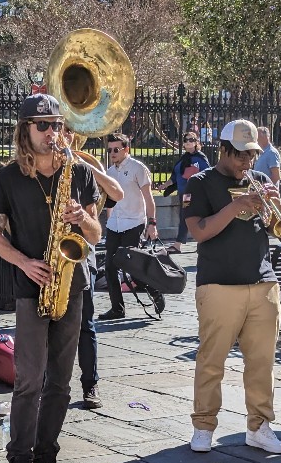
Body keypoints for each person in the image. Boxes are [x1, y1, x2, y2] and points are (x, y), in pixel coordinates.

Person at [0, 94, 100, 463]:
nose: (52, 133)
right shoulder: (7, 177)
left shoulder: (79, 172)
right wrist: (24, 263)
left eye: (57, 125)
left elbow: (96, 234)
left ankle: (46, 461)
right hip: (29, 286)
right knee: (29, 380)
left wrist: (82, 217)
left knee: (61, 383)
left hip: (72, 285)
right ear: (25, 131)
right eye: (43, 126)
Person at [184, 118, 281, 455]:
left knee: (262, 362)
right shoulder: (200, 182)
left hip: (263, 282)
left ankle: (260, 426)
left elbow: (278, 228)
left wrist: (273, 206)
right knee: (212, 360)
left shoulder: (257, 179)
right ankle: (203, 426)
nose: (247, 162)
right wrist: (235, 206)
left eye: (252, 155)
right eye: (241, 155)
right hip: (218, 284)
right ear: (224, 150)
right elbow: (199, 231)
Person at [60, 125, 123, 410]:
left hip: (82, 252)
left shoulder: (87, 163)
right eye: (60, 129)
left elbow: (117, 193)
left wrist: (82, 163)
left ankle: (90, 384)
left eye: (70, 130)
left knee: (85, 323)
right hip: (51, 253)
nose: (65, 135)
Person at [98, 133, 161, 320]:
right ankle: (117, 309)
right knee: (109, 267)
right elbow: (110, 202)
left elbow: (149, 198)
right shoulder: (109, 172)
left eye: (116, 149)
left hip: (134, 223)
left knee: (132, 267)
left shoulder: (137, 168)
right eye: (109, 150)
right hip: (115, 225)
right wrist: (108, 223)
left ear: (127, 149)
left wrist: (152, 223)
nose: (112, 153)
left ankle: (155, 292)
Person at [161, 131, 210, 254]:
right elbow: (175, 177)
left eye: (191, 140)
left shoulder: (200, 157)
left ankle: (180, 244)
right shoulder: (183, 159)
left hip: (196, 194)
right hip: (184, 194)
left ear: (196, 142)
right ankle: (195, 243)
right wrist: (165, 185)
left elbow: (208, 174)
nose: (188, 142)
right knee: (186, 217)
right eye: (186, 140)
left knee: (189, 217)